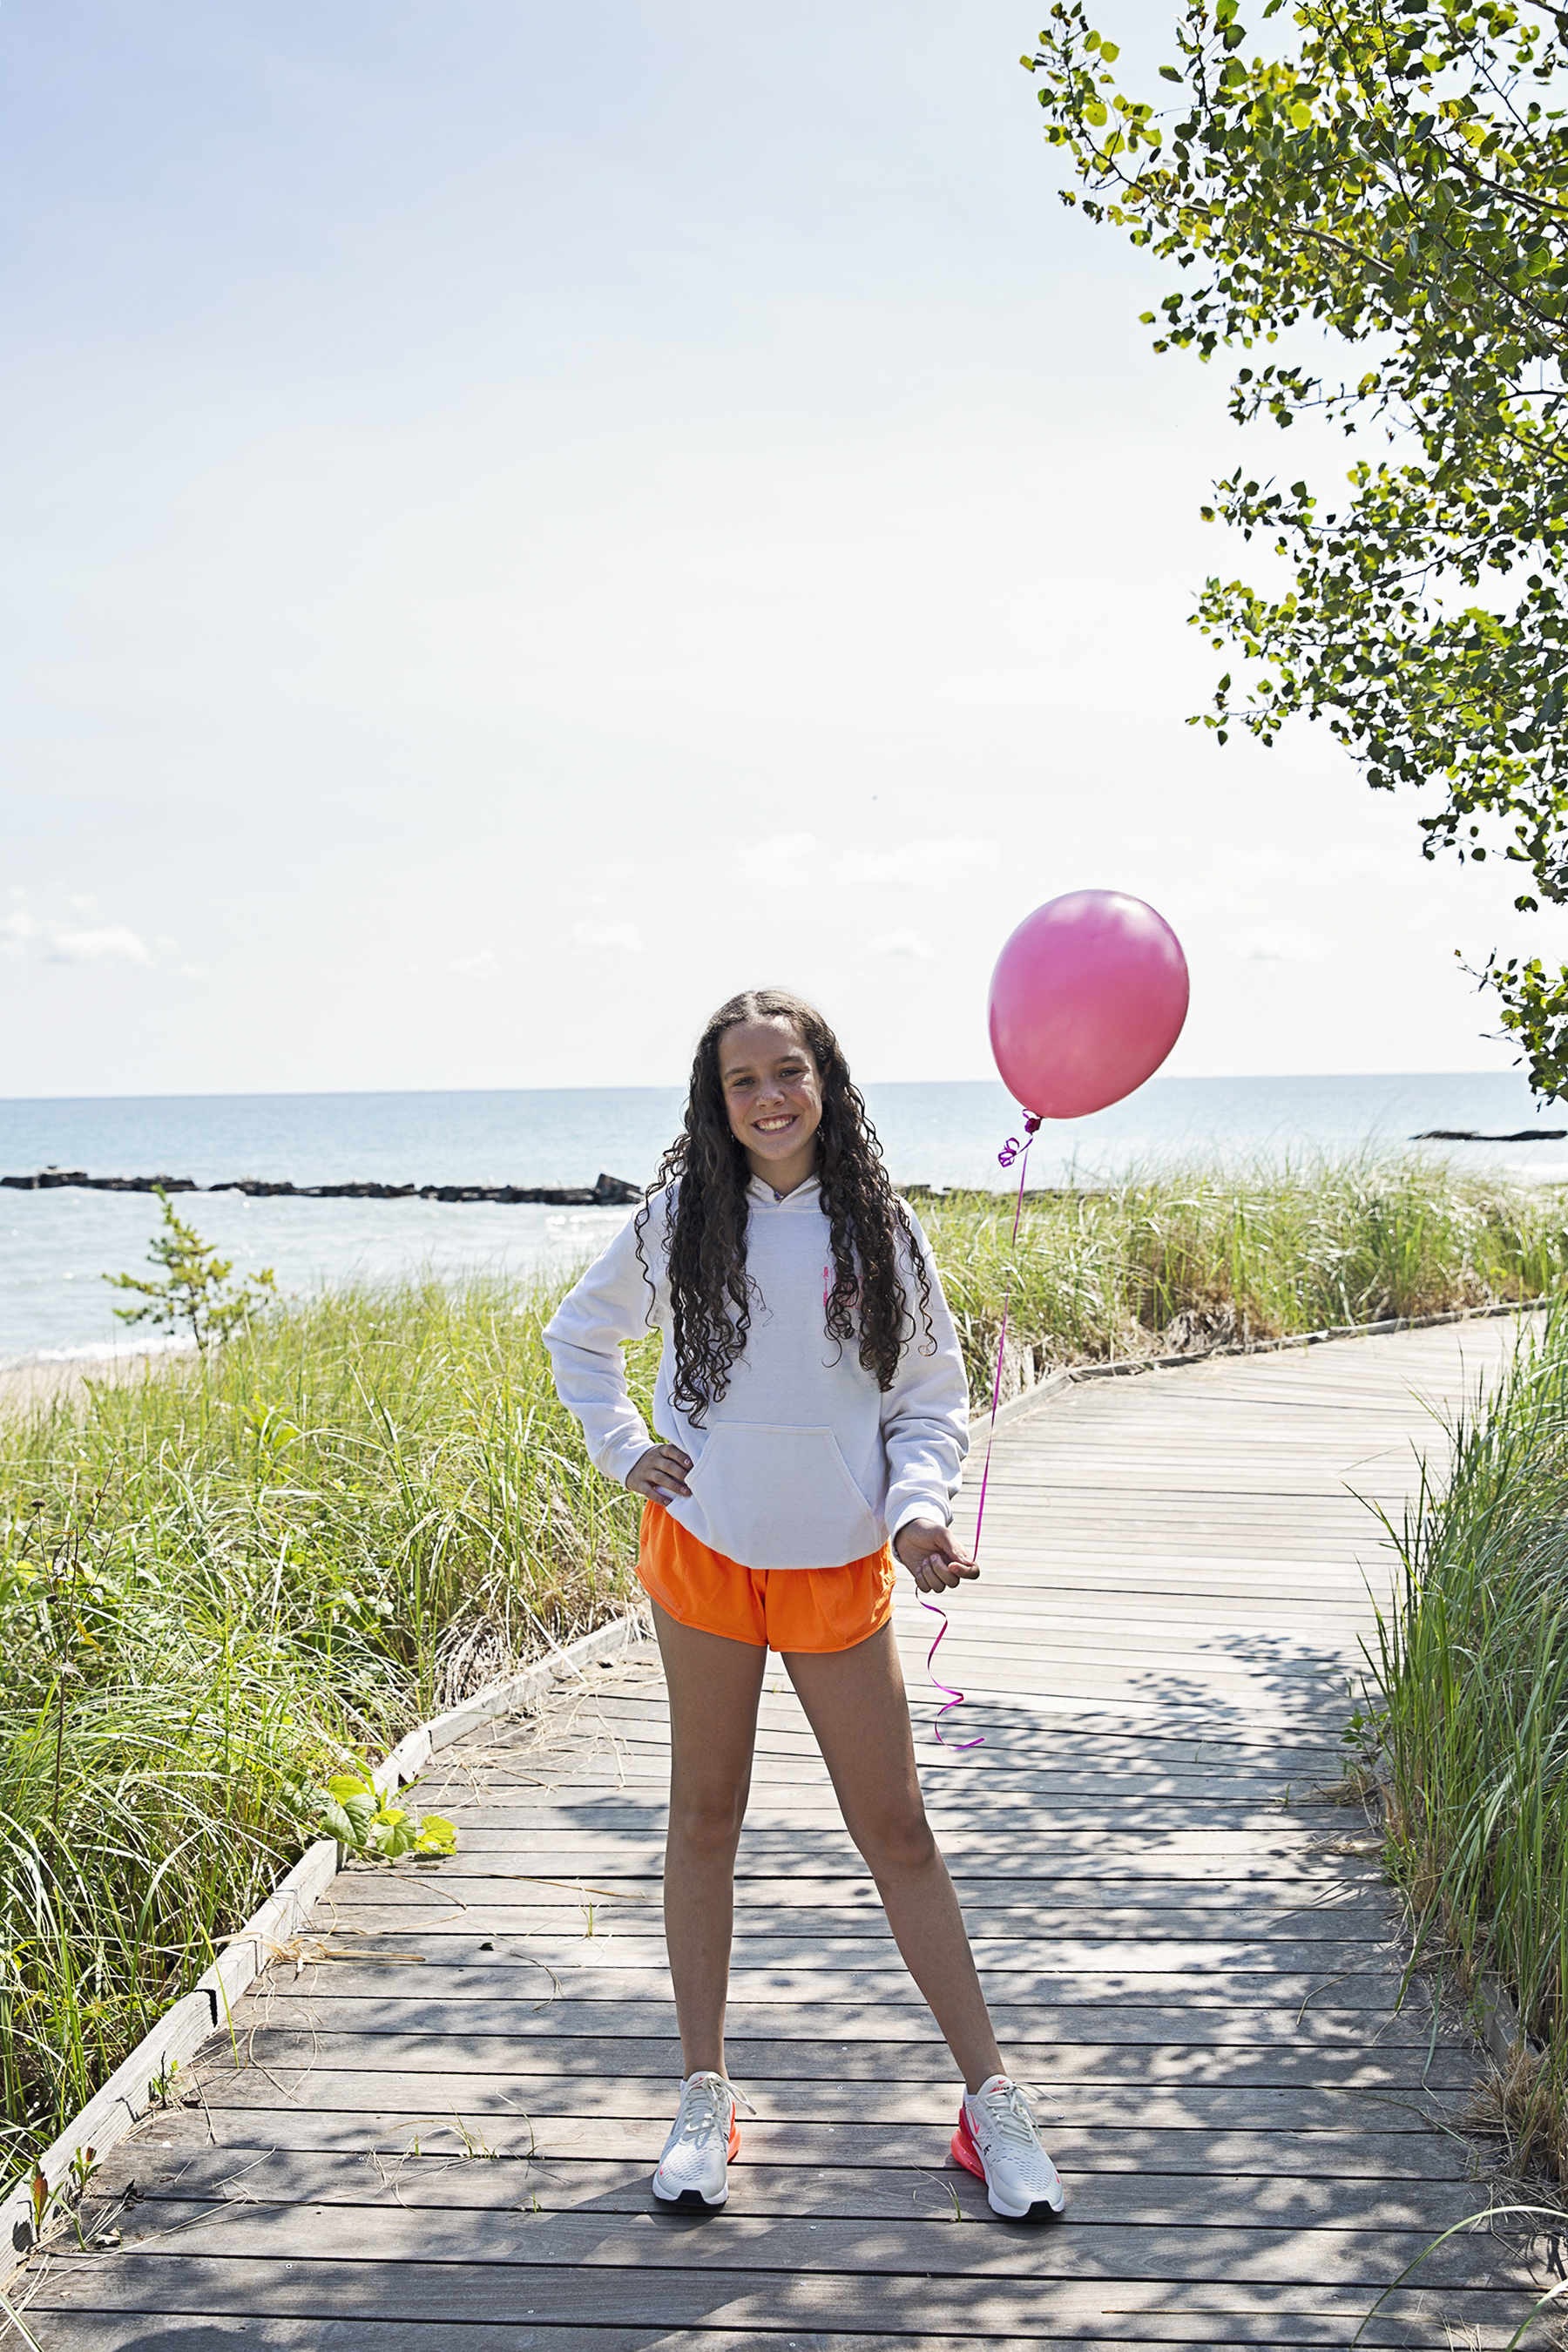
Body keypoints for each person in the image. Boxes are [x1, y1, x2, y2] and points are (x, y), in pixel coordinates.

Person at [544, 988, 1064, 2220]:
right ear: (715, 1101)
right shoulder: (679, 1217)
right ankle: (704, 2095)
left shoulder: (880, 1224)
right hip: (706, 1552)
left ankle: (990, 2104)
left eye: (789, 1071)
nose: (770, 1097)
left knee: (898, 1832)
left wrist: (917, 1511)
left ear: (824, 1080)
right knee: (704, 1819)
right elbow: (580, 1339)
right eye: (744, 1080)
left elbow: (929, 1395)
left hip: (837, 1560)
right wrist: (627, 1450)